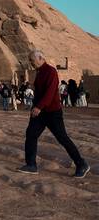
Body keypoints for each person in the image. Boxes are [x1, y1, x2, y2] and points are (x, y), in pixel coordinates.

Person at [19, 50, 90, 178]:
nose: (31, 63)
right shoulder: (39, 72)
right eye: (30, 60)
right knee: (31, 134)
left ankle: (81, 164)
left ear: (40, 58)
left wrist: (39, 107)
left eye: (32, 60)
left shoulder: (50, 71)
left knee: (62, 138)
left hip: (52, 112)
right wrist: (34, 107)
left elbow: (50, 92)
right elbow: (39, 93)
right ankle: (31, 165)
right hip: (40, 112)